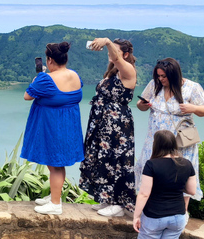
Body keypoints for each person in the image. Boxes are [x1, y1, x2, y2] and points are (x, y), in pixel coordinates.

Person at [135, 58, 204, 212]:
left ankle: (182, 212)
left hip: (180, 141)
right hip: (155, 140)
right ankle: (150, 208)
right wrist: (142, 105)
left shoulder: (192, 88)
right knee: (151, 172)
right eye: (159, 76)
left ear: (174, 74)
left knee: (180, 173)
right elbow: (141, 106)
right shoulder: (154, 84)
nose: (161, 79)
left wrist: (192, 108)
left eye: (164, 76)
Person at [131, 130, 196, 239]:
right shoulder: (186, 164)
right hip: (177, 217)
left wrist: (136, 216)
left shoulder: (152, 164)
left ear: (156, 145)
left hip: (154, 216)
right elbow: (192, 191)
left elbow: (144, 193)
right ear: (174, 144)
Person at [22, 41, 84, 215]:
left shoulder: (45, 79)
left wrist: (36, 80)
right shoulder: (75, 75)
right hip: (69, 125)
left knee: (55, 165)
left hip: (52, 126)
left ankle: (56, 204)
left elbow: (27, 96)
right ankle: (54, 196)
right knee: (57, 163)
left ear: (49, 60)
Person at [80, 38, 137, 217]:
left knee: (117, 160)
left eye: (114, 51)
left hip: (117, 125)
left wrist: (106, 41)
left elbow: (117, 59)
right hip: (102, 123)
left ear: (125, 54)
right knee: (102, 158)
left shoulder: (127, 70)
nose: (110, 54)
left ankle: (120, 203)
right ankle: (107, 197)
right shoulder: (111, 73)